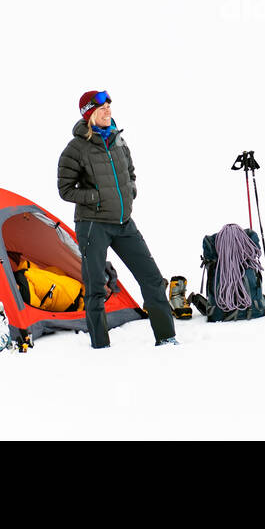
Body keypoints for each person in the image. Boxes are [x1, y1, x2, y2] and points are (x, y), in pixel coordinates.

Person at [57, 90, 178, 348]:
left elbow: (131, 172)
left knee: (152, 279)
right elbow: (65, 190)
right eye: (102, 108)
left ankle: (167, 338)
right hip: (93, 225)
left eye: (110, 106)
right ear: (89, 114)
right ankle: (101, 347)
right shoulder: (75, 149)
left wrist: (131, 191)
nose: (108, 110)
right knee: (96, 288)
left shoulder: (118, 140)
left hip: (124, 223)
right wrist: (97, 197)